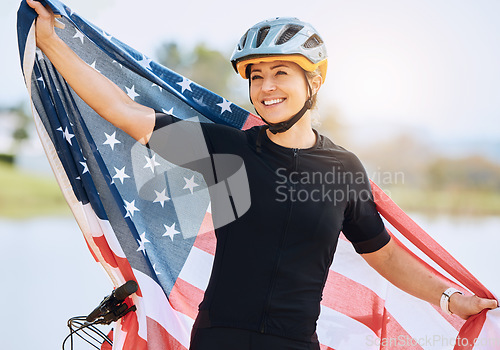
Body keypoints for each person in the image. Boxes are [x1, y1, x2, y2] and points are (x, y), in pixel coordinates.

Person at [27, 1, 498, 349]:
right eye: (255, 76)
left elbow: (386, 255)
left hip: (295, 343)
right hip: (219, 340)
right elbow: (121, 109)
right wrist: (51, 43)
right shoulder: (227, 150)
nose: (266, 87)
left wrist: (450, 300)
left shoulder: (342, 171)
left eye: (280, 73)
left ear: (314, 81)